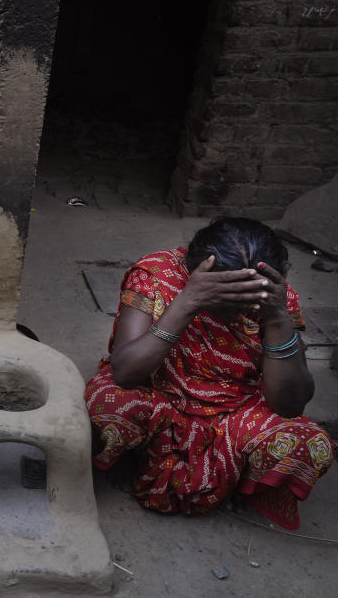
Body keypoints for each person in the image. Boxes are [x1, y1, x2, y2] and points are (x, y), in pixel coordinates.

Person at [86, 217, 334, 529]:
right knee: (107, 404)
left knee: (311, 443)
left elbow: (290, 403)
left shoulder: (275, 299)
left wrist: (277, 318)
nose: (235, 313)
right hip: (158, 394)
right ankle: (141, 460)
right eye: (224, 300)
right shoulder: (156, 275)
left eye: (243, 303)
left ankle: (230, 475)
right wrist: (187, 303)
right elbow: (124, 372)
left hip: (236, 409)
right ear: (192, 272)